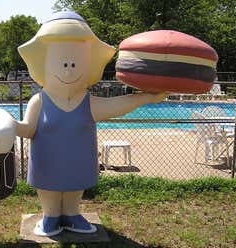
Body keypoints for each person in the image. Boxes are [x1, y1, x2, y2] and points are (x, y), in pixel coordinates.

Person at [16, 10, 167, 236]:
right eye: (62, 63)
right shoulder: (38, 101)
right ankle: (50, 216)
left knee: (75, 184)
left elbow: (116, 105)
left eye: (75, 64)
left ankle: (71, 213)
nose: (68, 69)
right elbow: (28, 129)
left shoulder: (88, 102)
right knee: (49, 188)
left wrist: (145, 97)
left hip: (78, 162)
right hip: (46, 163)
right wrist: (9, 125)